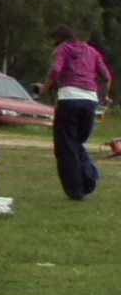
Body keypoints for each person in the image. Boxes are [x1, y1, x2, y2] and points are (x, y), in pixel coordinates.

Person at [43, 25, 111, 201]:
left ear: (60, 39)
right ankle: (89, 177)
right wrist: (103, 96)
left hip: (69, 99)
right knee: (77, 143)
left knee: (66, 147)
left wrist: (46, 86)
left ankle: (76, 190)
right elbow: (106, 77)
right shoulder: (92, 51)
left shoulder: (63, 49)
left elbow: (56, 70)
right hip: (90, 101)